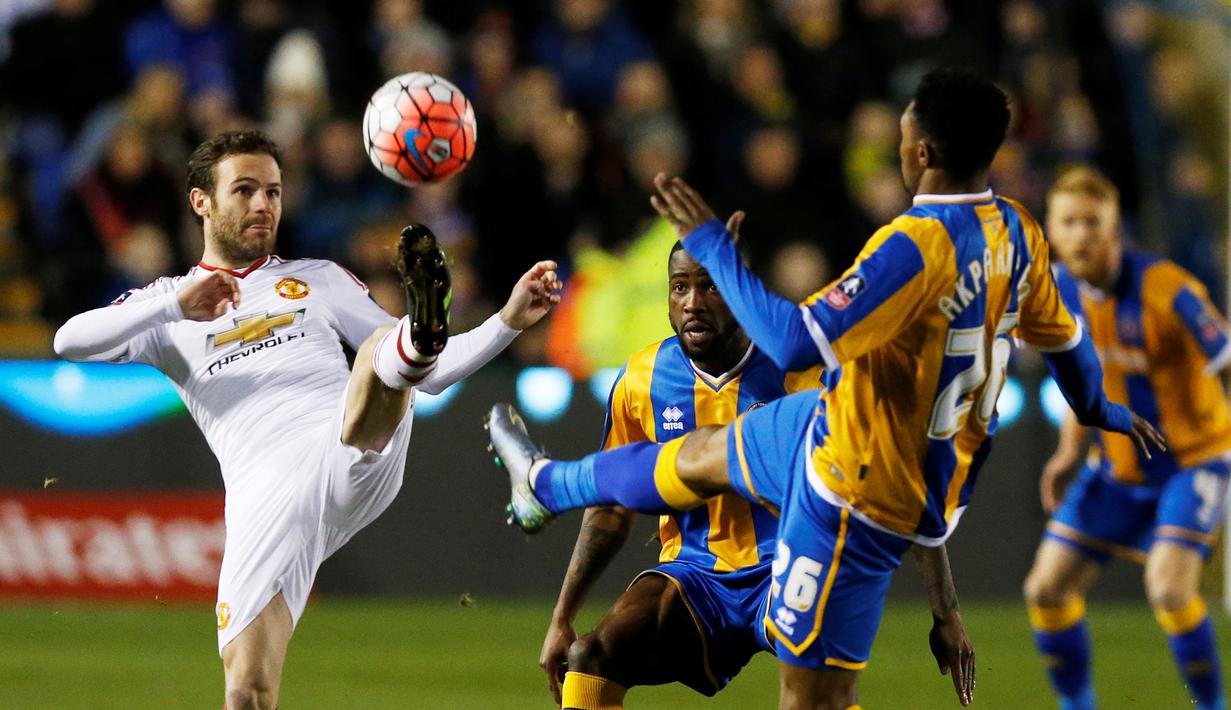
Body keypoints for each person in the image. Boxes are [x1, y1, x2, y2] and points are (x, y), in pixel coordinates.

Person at [485, 68, 1164, 710]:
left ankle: (547, 486)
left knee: (814, 699)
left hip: (850, 490)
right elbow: (1068, 343)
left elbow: (790, 342)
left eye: (900, 135)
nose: (894, 147)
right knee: (699, 454)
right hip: (831, 424)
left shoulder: (914, 243)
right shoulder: (1015, 230)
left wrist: (713, 248)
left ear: (922, 150)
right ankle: (543, 483)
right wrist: (1098, 409)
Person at [52, 129, 562, 710]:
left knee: (379, 354)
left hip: (346, 445)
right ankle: (409, 344)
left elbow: (439, 378)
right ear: (202, 202)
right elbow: (68, 341)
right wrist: (175, 304)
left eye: (272, 191)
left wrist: (507, 320)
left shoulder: (317, 279)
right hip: (265, 496)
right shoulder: (166, 304)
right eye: (244, 190)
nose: (263, 204)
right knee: (247, 691)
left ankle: (416, 337)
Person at [540, 235, 823, 708]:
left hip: (789, 565)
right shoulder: (642, 379)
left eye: (710, 287)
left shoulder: (800, 371)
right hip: (696, 575)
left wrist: (945, 610)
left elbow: (878, 481)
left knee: (812, 675)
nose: (692, 303)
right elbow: (610, 507)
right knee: (590, 655)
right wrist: (562, 615)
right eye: (679, 288)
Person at [1022, 165, 1228, 710]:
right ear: (1051, 232)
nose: (1082, 234)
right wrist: (1069, 452)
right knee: (1045, 589)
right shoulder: (1058, 294)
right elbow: (1083, 386)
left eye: (1094, 222)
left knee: (1168, 587)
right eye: (1069, 222)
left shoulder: (1170, 288)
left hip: (1194, 462)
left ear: (1116, 230)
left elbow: (1226, 357)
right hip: (1117, 467)